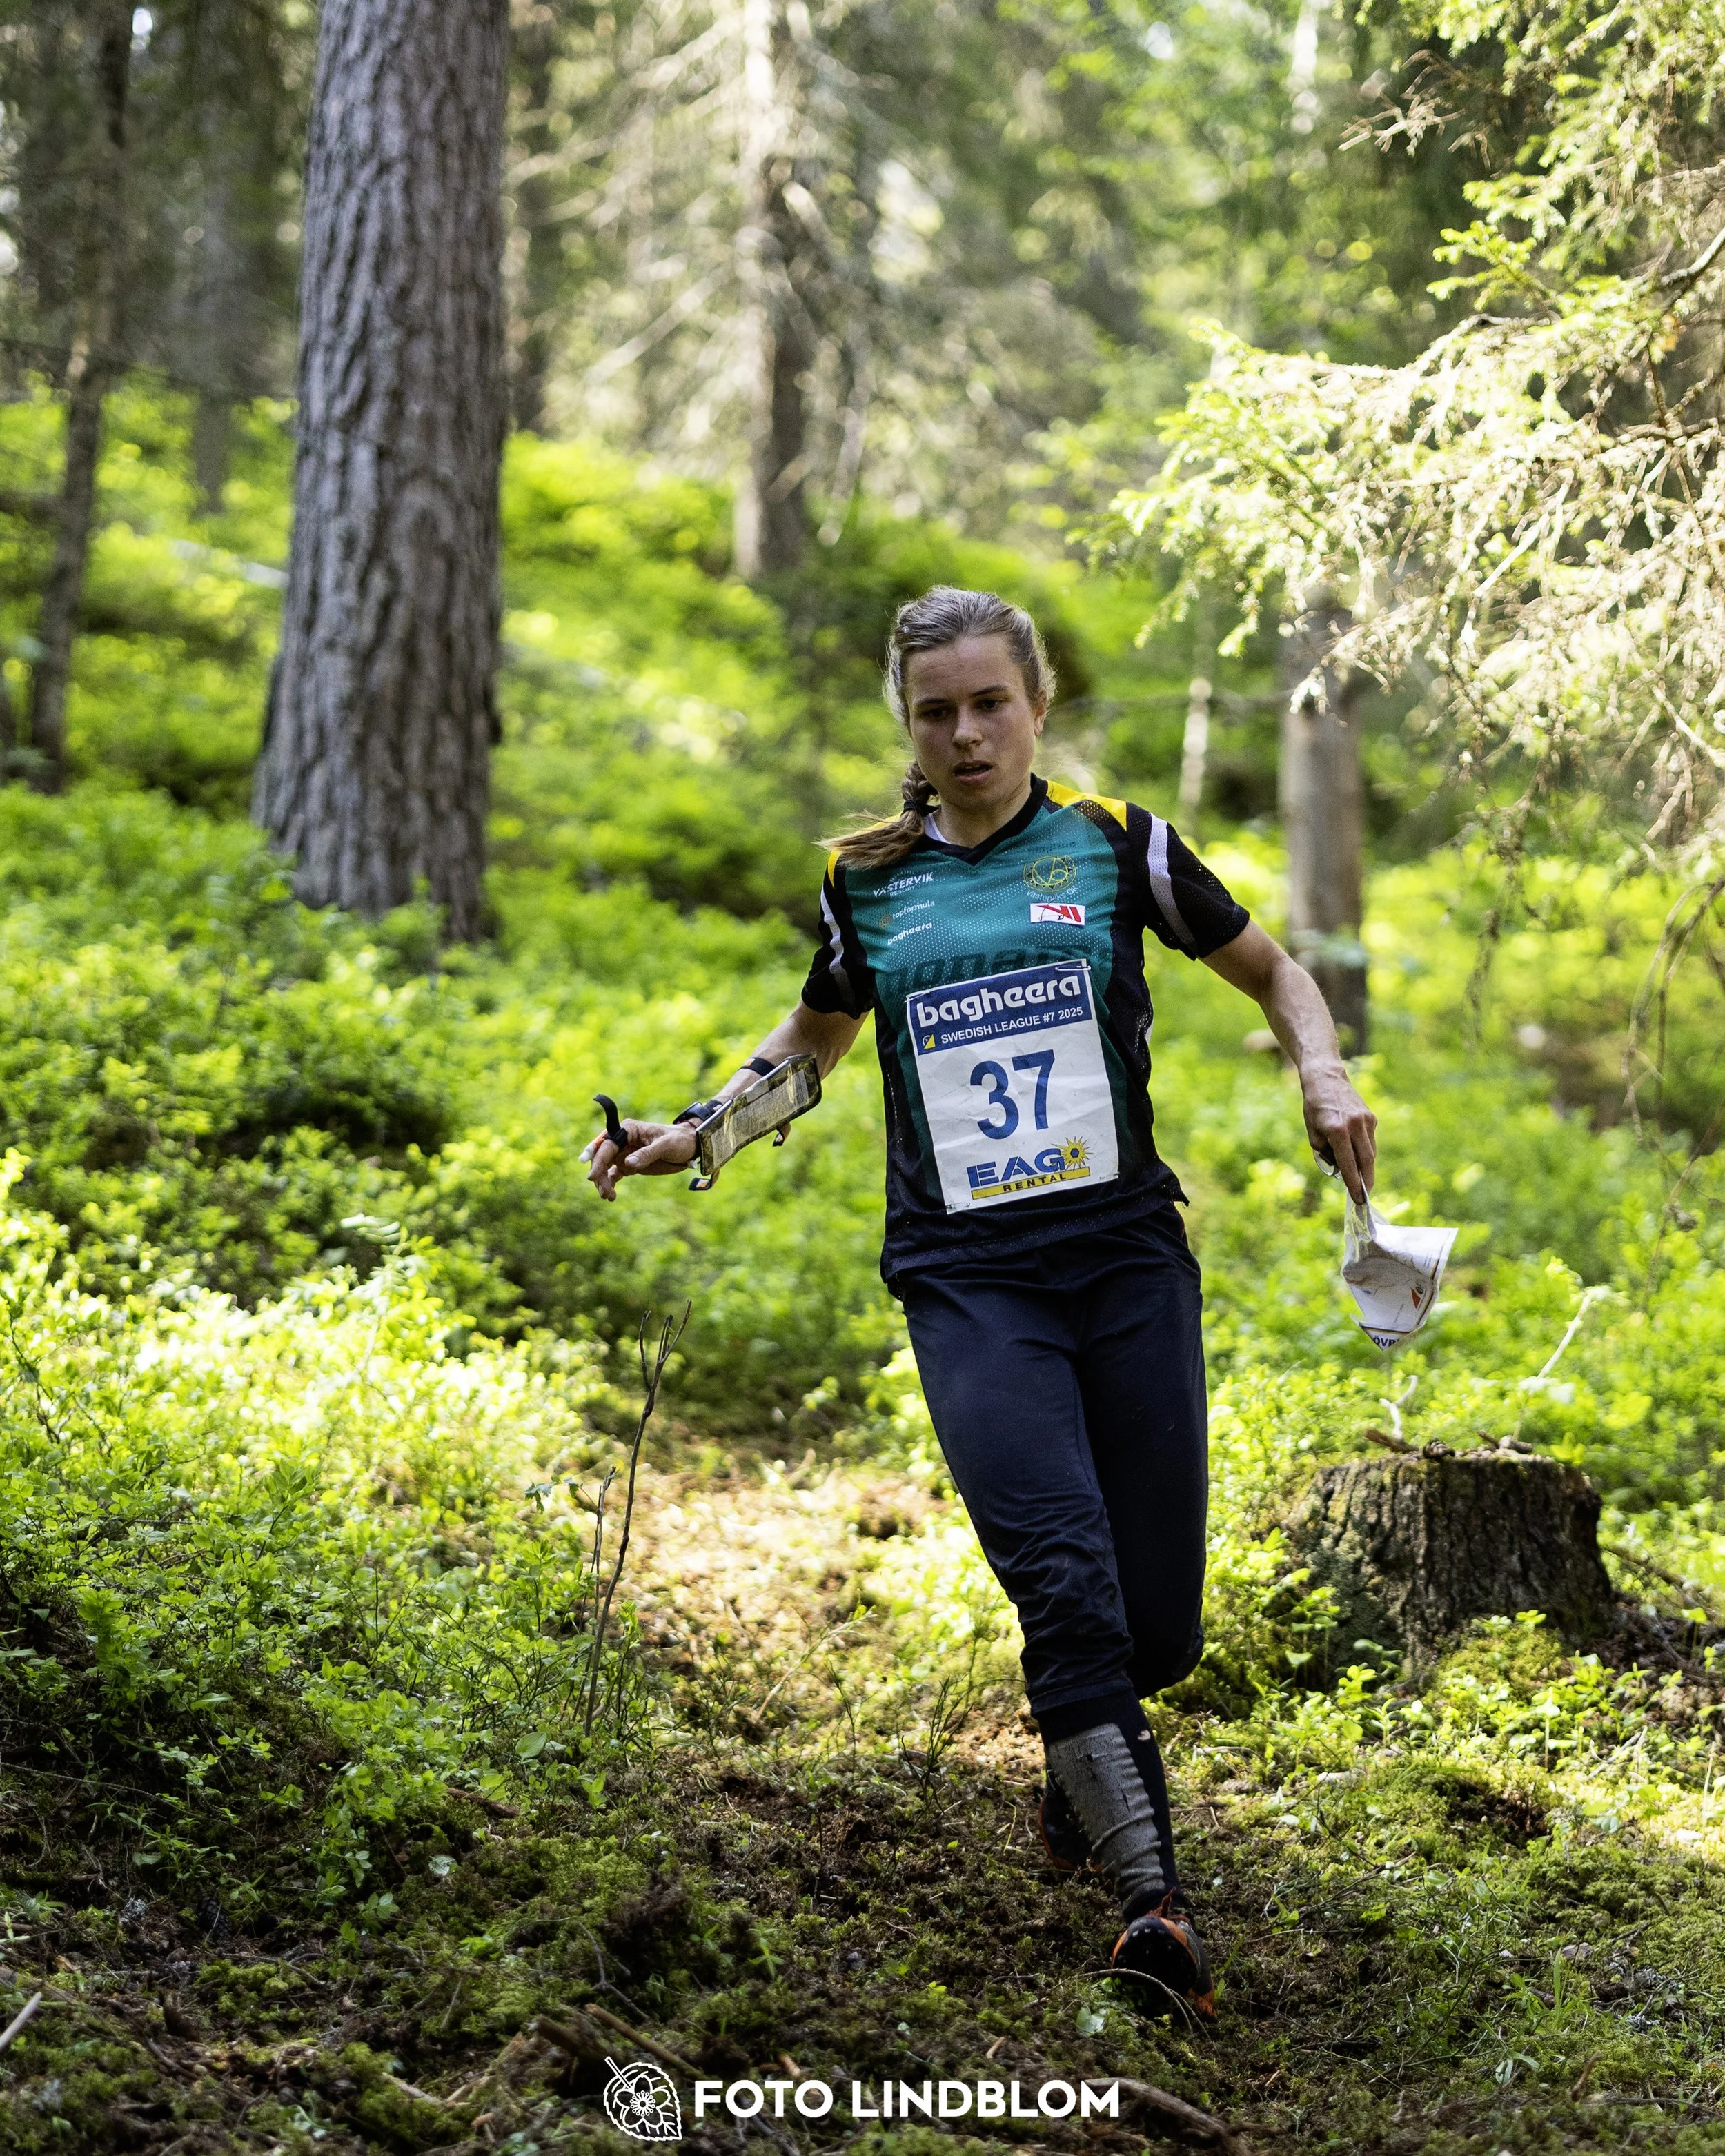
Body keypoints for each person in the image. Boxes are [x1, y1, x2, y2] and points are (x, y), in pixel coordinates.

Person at [585, 585, 1377, 2021]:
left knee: (1158, 1630)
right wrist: (697, 1131)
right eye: (935, 710)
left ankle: (1081, 1763)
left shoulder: (1118, 844)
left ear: (1037, 704)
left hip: (1125, 1258)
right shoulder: (869, 884)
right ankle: (1154, 1909)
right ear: (907, 723)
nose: (965, 734)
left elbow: (1277, 975)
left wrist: (1320, 1073)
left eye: (988, 703)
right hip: (968, 1278)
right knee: (1063, 1578)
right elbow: (813, 1040)